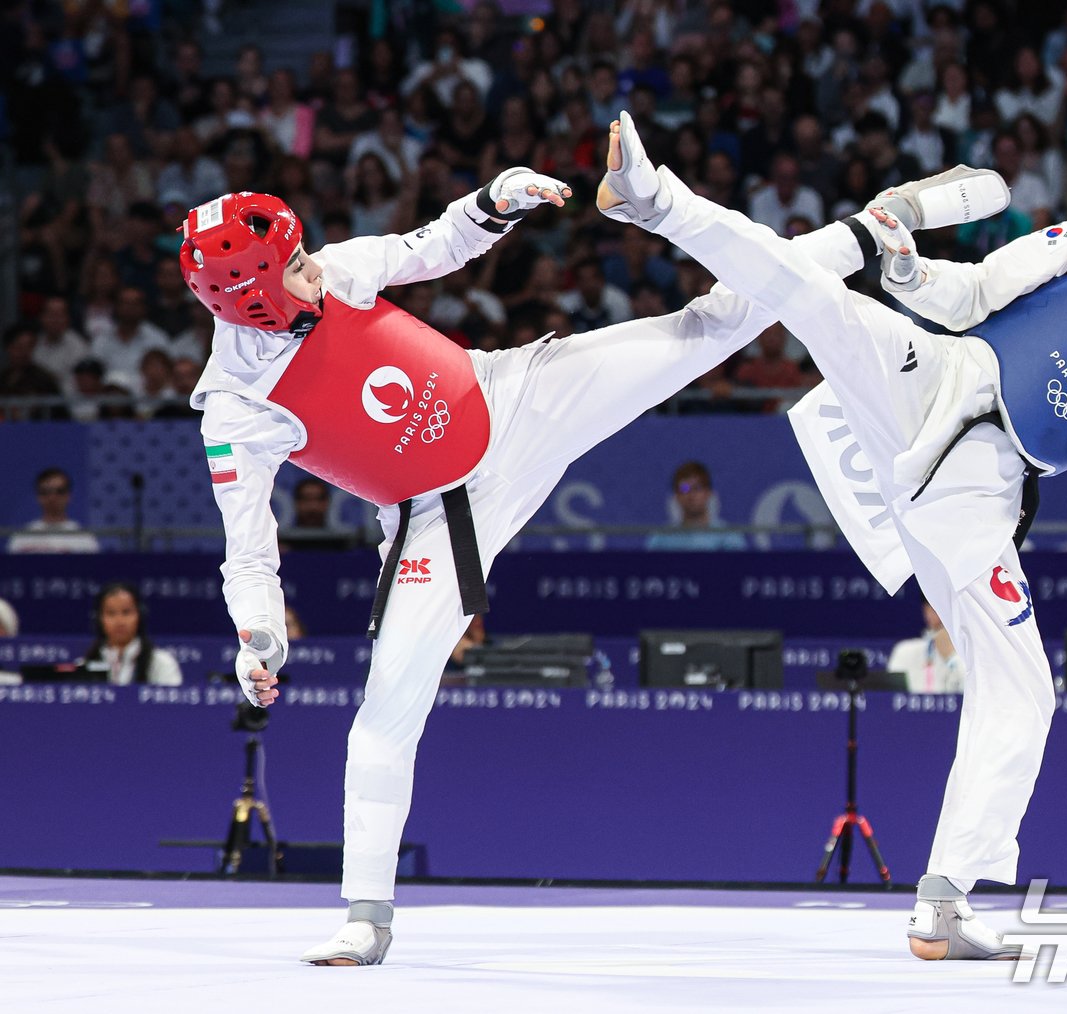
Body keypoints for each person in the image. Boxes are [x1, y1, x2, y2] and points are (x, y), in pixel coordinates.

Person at [599, 115, 1067, 960]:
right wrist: (906, 266)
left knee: (1024, 688)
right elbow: (968, 297)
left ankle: (945, 900)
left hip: (983, 491)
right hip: (932, 381)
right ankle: (655, 198)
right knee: (814, 294)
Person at [182, 147, 849, 965]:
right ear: (249, 300)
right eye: (292, 267)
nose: (313, 267)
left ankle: (859, 237)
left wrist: (496, 200)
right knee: (386, 712)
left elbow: (432, 244)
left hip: (515, 396)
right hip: (435, 520)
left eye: (302, 250)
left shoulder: (332, 272)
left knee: (701, 329)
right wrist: (259, 635)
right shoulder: (236, 408)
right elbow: (246, 554)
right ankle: (365, 916)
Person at [78, 582, 183, 686]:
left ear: (140, 616)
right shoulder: (83, 667)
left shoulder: (161, 663)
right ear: (99, 619)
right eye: (111, 613)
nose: (119, 621)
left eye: (126, 612)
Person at [644, 461, 747, 551]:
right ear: (676, 496)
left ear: (708, 493)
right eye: (684, 489)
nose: (691, 495)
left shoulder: (729, 536)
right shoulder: (661, 538)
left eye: (697, 488)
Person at [7, 468, 100, 554]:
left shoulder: (84, 539)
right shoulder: (22, 537)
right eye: (45, 492)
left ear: (68, 496)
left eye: (59, 491)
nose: (52, 497)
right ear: (38, 496)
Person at [887, 594, 965, 693]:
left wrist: (952, 658)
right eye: (935, 606)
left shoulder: (973, 653)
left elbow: (976, 694)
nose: (945, 613)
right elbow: (890, 700)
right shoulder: (904, 652)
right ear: (926, 610)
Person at [279, 477, 359, 552]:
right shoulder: (277, 545)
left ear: (327, 502)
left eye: (319, 499)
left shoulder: (347, 545)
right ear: (296, 502)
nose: (313, 506)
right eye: (306, 499)